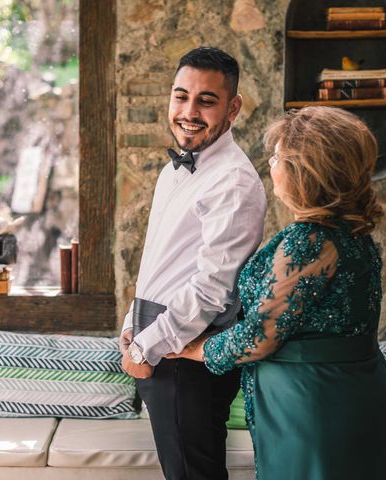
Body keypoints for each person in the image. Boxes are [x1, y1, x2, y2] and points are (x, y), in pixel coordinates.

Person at [168, 106, 386, 480]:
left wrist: (189, 347)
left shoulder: (308, 241)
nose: (270, 163)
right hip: (352, 387)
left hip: (314, 400)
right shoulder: (354, 234)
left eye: (277, 156)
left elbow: (258, 339)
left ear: (304, 171)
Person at [118, 47, 267, 480]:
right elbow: (159, 261)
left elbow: (210, 289)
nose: (188, 111)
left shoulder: (234, 182)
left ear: (233, 107)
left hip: (186, 356)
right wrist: (132, 323)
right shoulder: (174, 171)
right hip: (156, 342)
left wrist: (146, 347)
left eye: (206, 100)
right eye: (180, 96)